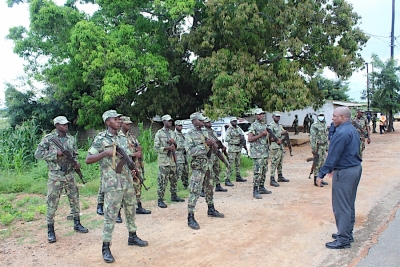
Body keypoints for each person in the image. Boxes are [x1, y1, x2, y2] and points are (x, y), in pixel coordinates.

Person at [86, 110, 148, 263]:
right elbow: (88, 159)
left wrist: (133, 169)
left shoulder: (122, 137)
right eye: (116, 119)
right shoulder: (100, 139)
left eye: (120, 119)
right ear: (108, 122)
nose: (119, 121)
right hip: (112, 184)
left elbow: (125, 158)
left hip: (126, 181)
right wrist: (105, 153)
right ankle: (106, 247)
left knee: (131, 209)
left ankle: (132, 236)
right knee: (111, 216)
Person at [35, 116, 89, 243]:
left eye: (67, 124)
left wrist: (77, 163)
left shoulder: (71, 139)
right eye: (63, 124)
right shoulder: (49, 139)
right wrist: (55, 154)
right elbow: (37, 154)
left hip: (70, 175)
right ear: (57, 125)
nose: (66, 126)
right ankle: (50, 230)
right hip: (56, 176)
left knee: (75, 200)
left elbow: (75, 154)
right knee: (52, 203)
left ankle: (77, 223)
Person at [316, 107, 362, 249]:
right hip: (354, 168)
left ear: (343, 117)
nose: (332, 118)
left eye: (335, 116)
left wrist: (321, 173)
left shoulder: (341, 133)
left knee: (341, 206)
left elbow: (333, 156)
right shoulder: (352, 130)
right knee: (349, 203)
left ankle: (343, 239)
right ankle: (346, 233)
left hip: (346, 172)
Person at [185, 113, 224, 230]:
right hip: (198, 168)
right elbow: (190, 151)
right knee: (195, 191)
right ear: (194, 121)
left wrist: (213, 146)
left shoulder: (205, 133)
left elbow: (210, 149)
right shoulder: (189, 135)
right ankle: (190, 217)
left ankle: (211, 209)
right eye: (200, 120)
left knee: (209, 188)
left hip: (208, 166)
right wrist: (205, 146)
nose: (202, 122)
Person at [120, 116, 151, 215]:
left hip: (135, 164)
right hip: (123, 166)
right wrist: (134, 154)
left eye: (129, 123)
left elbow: (137, 145)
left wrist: (139, 150)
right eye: (126, 123)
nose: (129, 125)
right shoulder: (118, 137)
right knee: (122, 188)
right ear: (121, 124)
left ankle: (139, 206)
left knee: (137, 184)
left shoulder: (131, 136)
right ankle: (118, 213)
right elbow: (119, 153)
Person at [154, 114, 185, 208]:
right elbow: (156, 148)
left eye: (171, 121)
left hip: (172, 159)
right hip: (164, 161)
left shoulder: (173, 133)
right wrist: (167, 148)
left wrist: (174, 143)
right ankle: (160, 199)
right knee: (162, 180)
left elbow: (178, 146)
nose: (170, 122)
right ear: (164, 122)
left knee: (174, 178)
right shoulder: (159, 133)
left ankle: (174, 195)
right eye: (168, 121)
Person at [248, 108, 272, 199]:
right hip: (257, 154)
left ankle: (261, 187)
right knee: (257, 172)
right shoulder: (253, 126)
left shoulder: (264, 125)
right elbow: (250, 139)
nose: (261, 115)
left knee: (264, 171)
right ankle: (255, 190)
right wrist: (261, 134)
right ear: (256, 115)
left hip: (264, 153)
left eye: (262, 114)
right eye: (259, 114)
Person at [203, 117, 228, 192]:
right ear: (204, 124)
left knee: (217, 169)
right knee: (208, 171)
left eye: (210, 122)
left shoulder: (213, 131)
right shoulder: (204, 132)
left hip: (216, 152)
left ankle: (218, 185)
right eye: (207, 122)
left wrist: (221, 146)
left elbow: (217, 141)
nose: (209, 123)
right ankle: (204, 188)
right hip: (209, 153)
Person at [268, 111, 290, 187]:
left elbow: (282, 132)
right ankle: (272, 178)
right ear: (273, 117)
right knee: (274, 163)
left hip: (280, 146)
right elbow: (270, 138)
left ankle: (280, 176)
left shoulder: (279, 125)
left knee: (280, 162)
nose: (278, 118)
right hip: (274, 147)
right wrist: (278, 137)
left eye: (279, 116)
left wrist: (284, 133)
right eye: (276, 116)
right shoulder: (271, 126)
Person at [225, 117, 247, 186]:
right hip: (232, 149)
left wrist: (242, 142)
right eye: (234, 121)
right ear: (231, 122)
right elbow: (227, 139)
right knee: (230, 164)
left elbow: (242, 135)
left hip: (238, 148)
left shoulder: (238, 128)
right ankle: (227, 179)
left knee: (238, 163)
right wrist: (236, 141)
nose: (235, 122)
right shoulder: (229, 129)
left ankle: (238, 176)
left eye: (236, 121)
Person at [310, 111, 329, 187]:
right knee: (317, 163)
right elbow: (313, 138)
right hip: (318, 146)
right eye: (320, 115)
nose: (321, 117)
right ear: (317, 116)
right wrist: (313, 149)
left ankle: (320, 178)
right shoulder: (314, 125)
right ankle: (315, 180)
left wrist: (327, 147)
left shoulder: (324, 124)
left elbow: (326, 136)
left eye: (322, 115)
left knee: (323, 163)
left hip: (324, 146)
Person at [175, 120, 189, 189]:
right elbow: (175, 146)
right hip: (178, 156)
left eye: (181, 125)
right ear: (176, 126)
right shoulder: (174, 135)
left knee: (185, 171)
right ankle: (174, 187)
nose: (181, 127)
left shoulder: (182, 135)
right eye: (179, 125)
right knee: (178, 172)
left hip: (184, 156)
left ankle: (186, 185)